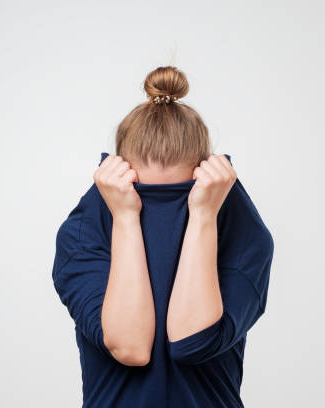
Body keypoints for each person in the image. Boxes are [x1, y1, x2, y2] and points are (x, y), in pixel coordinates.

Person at [51, 66, 274, 407]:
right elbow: (130, 346)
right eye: (145, 197)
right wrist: (126, 216)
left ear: (206, 183)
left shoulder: (244, 236)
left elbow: (192, 341)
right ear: (116, 182)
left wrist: (202, 215)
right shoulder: (83, 235)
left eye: (180, 198)